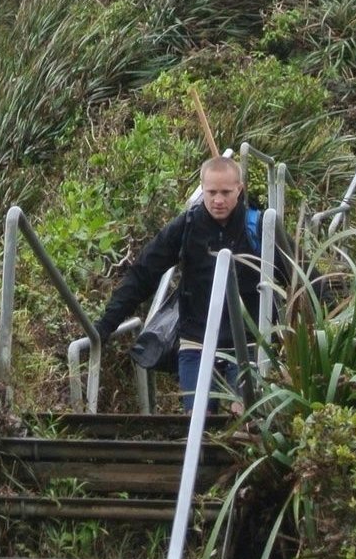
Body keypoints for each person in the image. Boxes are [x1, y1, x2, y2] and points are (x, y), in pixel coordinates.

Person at [93, 157, 264, 405]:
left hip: (247, 344)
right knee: (196, 418)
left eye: (226, 192)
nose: (218, 200)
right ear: (202, 189)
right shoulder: (187, 226)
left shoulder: (259, 227)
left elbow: (297, 273)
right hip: (196, 341)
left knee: (246, 419)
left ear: (239, 189)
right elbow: (143, 274)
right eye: (211, 192)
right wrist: (105, 325)